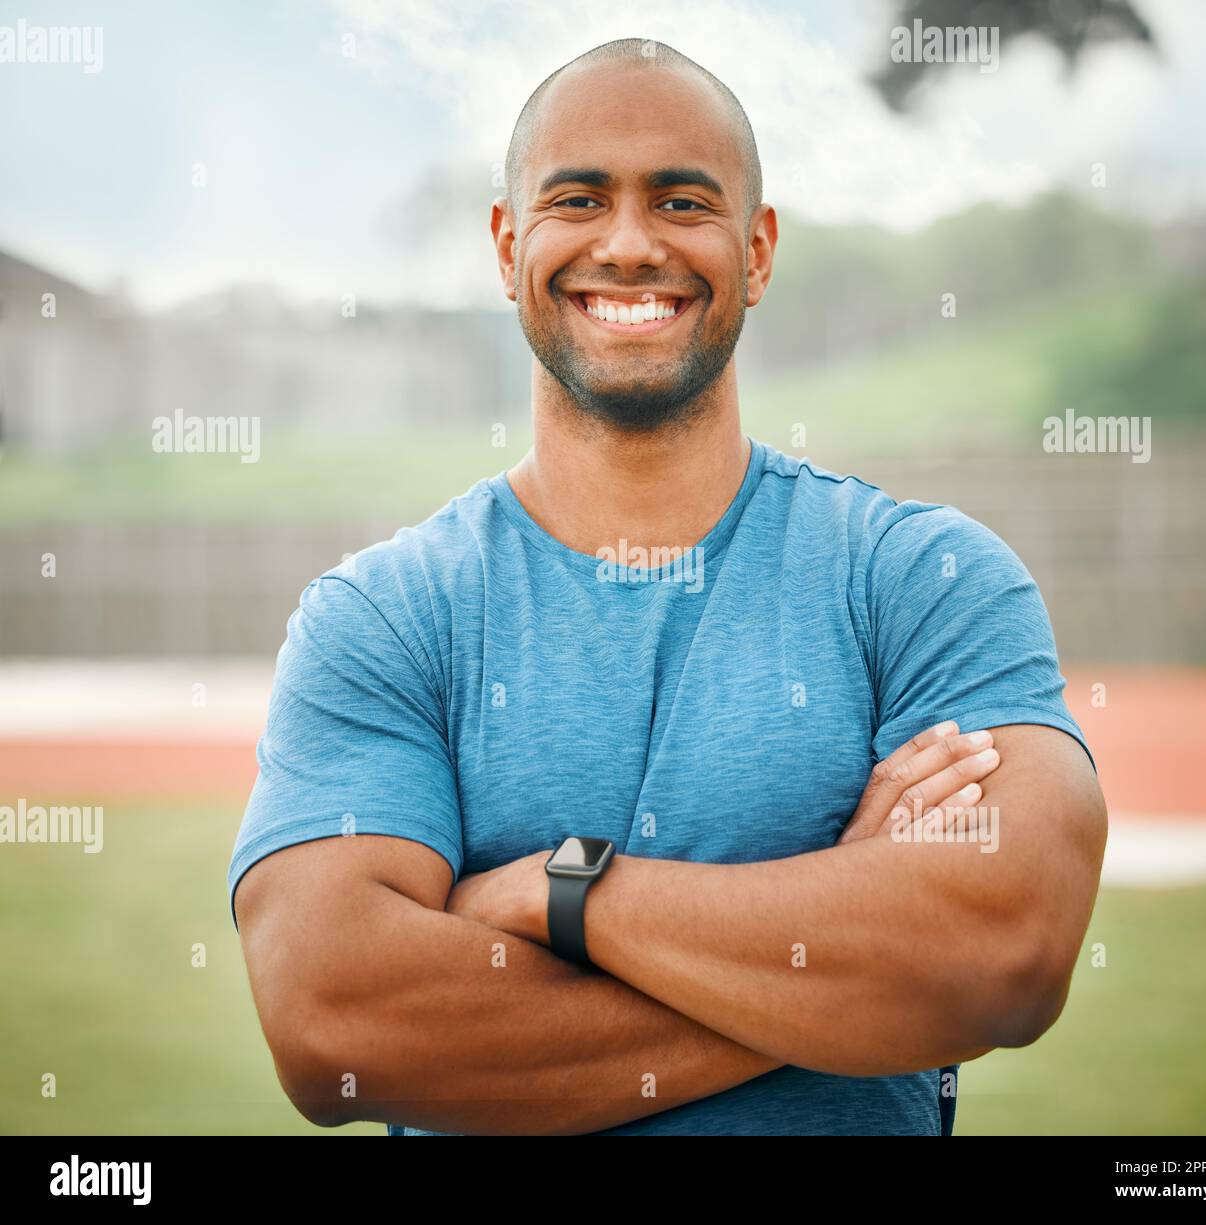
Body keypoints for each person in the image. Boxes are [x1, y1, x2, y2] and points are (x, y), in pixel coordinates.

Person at [228, 37, 1107, 1136]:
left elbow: (1004, 952)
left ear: (758, 250)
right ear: (507, 246)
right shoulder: (384, 618)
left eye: (683, 202)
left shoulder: (922, 579)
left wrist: (561, 892)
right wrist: (841, 967)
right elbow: (336, 1028)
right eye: (578, 199)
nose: (631, 244)